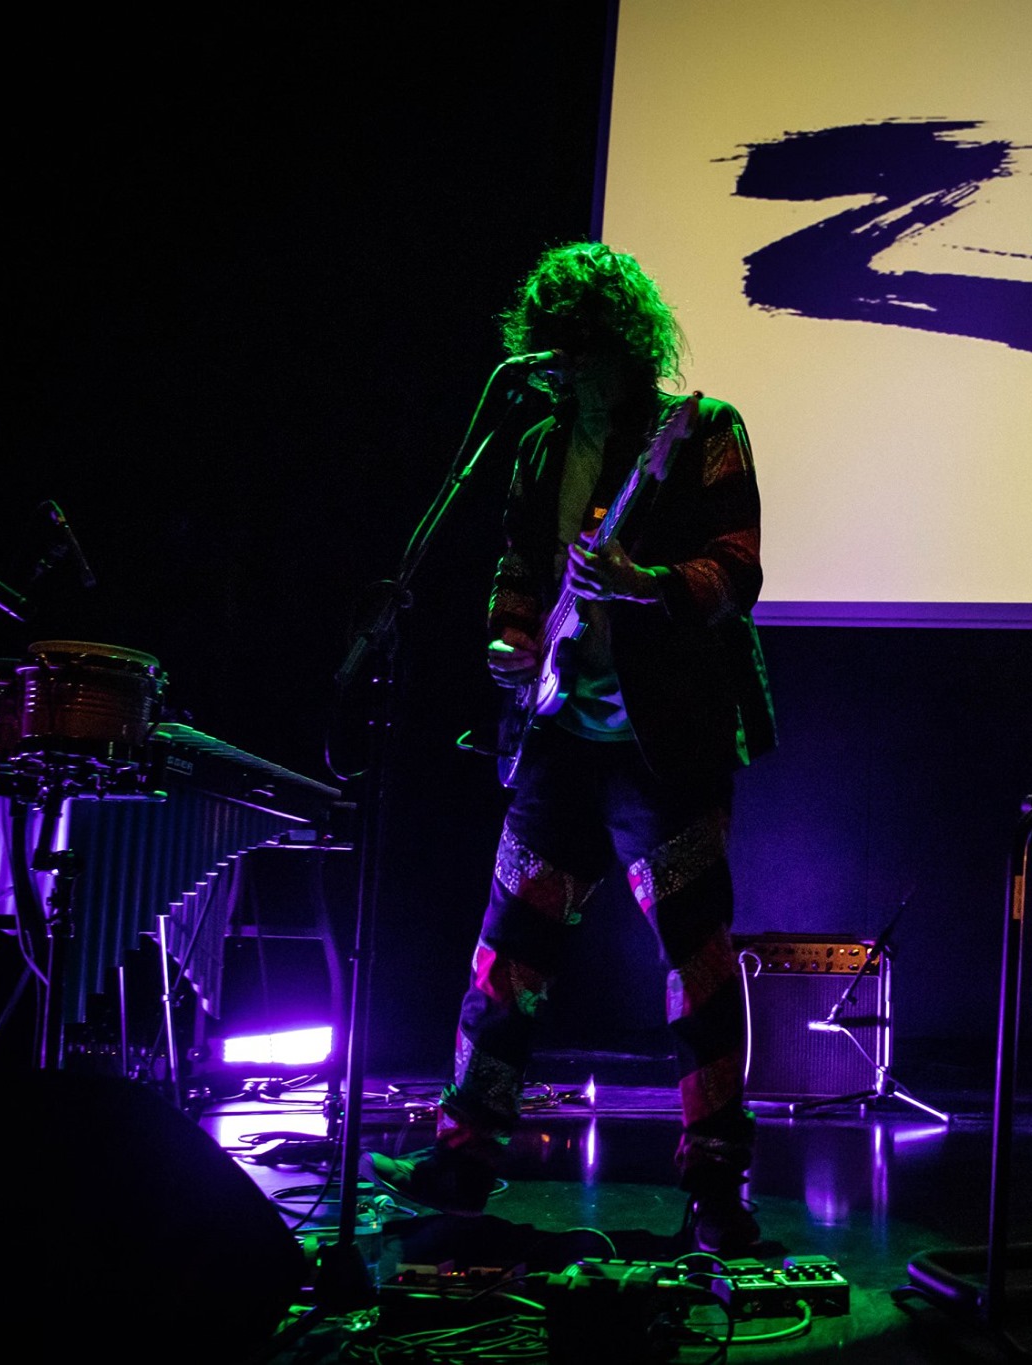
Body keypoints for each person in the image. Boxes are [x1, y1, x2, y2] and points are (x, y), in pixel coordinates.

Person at [365, 242, 776, 1254]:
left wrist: (647, 585)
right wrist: (509, 637)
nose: (559, 366)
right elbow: (518, 564)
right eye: (548, 349)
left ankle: (716, 1181)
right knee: (507, 954)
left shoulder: (701, 432)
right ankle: (464, 1156)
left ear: (616, 344)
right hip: (559, 738)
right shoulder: (541, 446)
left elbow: (738, 569)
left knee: (696, 964)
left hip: (662, 743)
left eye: (574, 347)